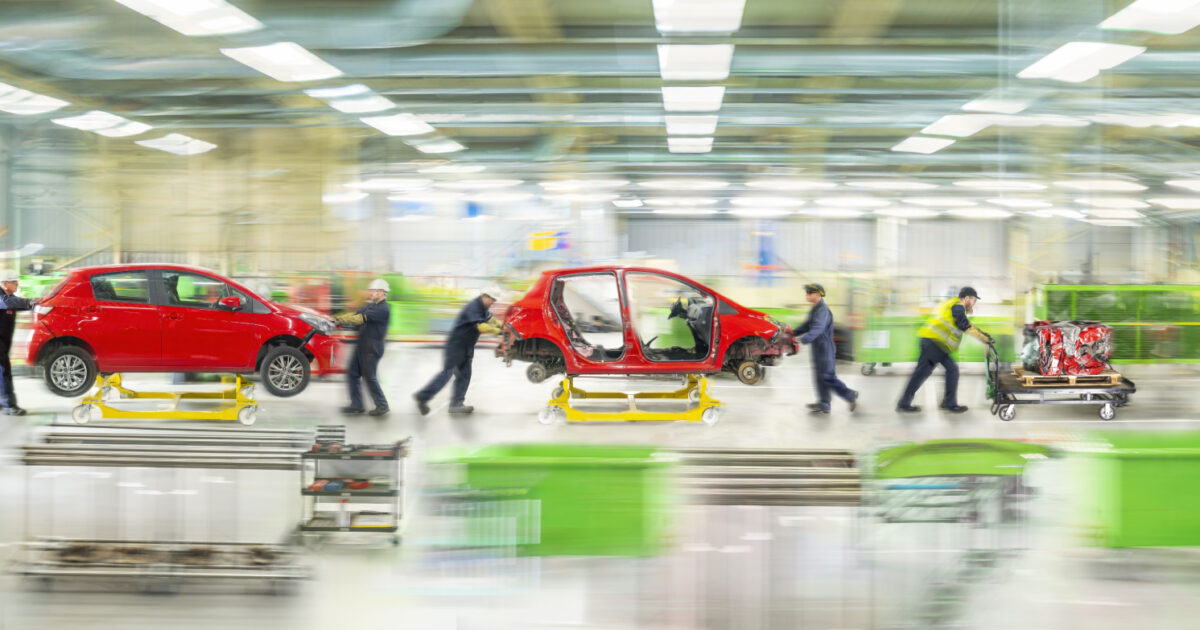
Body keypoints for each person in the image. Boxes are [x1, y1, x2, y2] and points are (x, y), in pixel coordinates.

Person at [897, 287, 992, 413]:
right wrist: (984, 338)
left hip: (935, 343)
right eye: (974, 300)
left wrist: (983, 335)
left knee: (948, 370)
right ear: (966, 298)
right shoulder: (958, 306)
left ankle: (947, 402)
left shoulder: (952, 303)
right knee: (925, 373)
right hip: (934, 344)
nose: (974, 303)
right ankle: (907, 403)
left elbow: (959, 322)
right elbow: (964, 325)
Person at [414, 287, 503, 415]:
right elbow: (481, 326)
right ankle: (422, 397)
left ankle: (456, 404)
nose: (493, 302)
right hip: (456, 345)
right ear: (485, 296)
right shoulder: (473, 306)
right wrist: (498, 331)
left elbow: (490, 319)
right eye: (492, 299)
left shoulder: (483, 308)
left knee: (465, 375)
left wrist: (504, 325)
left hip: (467, 346)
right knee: (447, 373)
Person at [793, 283, 858, 414]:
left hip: (825, 348)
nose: (806, 295)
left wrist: (802, 339)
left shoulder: (822, 310)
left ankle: (850, 395)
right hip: (818, 348)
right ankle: (824, 404)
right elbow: (807, 325)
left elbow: (817, 329)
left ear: (817, 294)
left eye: (809, 293)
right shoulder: (815, 309)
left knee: (827, 376)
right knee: (819, 377)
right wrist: (792, 333)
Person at [334, 278, 391, 416]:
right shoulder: (371, 306)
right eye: (371, 290)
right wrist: (336, 318)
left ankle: (382, 405)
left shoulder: (383, 309)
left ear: (381, 292)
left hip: (372, 348)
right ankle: (357, 405)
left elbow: (359, 319)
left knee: (369, 377)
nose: (371, 293)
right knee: (352, 374)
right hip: (362, 345)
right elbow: (355, 314)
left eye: (373, 290)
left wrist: (339, 320)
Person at [0, 269, 35, 415]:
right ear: (4, 283)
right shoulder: (4, 299)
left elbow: (18, 303)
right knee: (4, 371)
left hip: (4, 341)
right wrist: (32, 302)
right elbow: (10, 303)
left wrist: (37, 303)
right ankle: (9, 405)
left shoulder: (10, 298)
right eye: (13, 281)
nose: (17, 284)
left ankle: (3, 402)